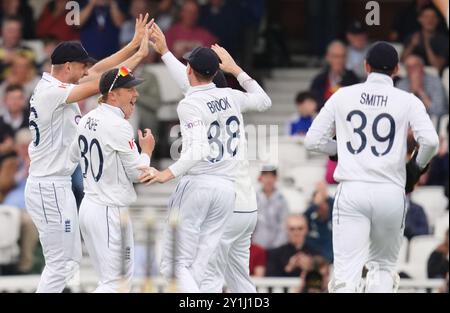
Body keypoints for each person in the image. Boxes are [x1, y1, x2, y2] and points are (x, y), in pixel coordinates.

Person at [24, 15, 153, 293]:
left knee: (66, 264)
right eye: (82, 66)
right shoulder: (52, 92)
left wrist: (133, 46)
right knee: (62, 265)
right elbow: (104, 83)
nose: (86, 70)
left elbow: (100, 73)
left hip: (55, 184)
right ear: (68, 66)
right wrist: (137, 57)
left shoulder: (58, 87)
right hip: (49, 185)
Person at [305, 41, 439, 293]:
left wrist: (341, 151)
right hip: (390, 190)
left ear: (366, 66)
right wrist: (416, 168)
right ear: (397, 69)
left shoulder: (343, 95)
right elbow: (431, 141)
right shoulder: (407, 100)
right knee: (382, 269)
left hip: (353, 190)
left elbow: (313, 140)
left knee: (346, 273)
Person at [139, 35, 270, 293]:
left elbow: (198, 147)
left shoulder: (191, 103)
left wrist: (168, 173)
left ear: (190, 69)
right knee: (214, 275)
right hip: (230, 193)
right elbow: (264, 101)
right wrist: (237, 70)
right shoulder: (230, 97)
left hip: (201, 185)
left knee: (175, 266)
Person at [70, 67, 155, 292]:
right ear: (113, 94)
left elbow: (72, 155)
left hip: (90, 205)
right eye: (129, 89)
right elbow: (139, 174)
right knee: (116, 283)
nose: (135, 94)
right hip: (109, 209)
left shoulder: (86, 119)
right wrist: (146, 151)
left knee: (111, 281)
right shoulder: (118, 125)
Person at [310, 40, 360, 111]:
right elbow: (313, 103)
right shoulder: (319, 80)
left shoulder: (353, 78)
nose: (339, 60)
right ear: (328, 57)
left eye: (342, 56)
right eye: (336, 56)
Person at [397, 54, 448, 119]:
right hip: (409, 122)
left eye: (415, 66)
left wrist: (420, 91)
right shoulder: (401, 84)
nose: (411, 70)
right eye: (408, 67)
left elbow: (438, 111)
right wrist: (412, 91)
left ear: (421, 67)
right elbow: (399, 110)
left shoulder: (435, 81)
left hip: (433, 122)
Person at [401, 4, 449, 73]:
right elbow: (401, 62)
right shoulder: (412, 37)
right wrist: (412, 45)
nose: (430, 20)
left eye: (433, 17)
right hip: (411, 74)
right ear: (419, 19)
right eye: (426, 17)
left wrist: (427, 43)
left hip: (433, 76)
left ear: (438, 20)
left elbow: (437, 67)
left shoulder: (443, 40)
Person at [252, 166, 290, 250]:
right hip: (256, 245)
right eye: (266, 176)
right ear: (260, 178)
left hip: (277, 247)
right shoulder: (253, 198)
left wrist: (276, 246)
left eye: (271, 176)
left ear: (276, 178)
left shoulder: (282, 200)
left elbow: (283, 225)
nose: (268, 180)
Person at [304, 181, 333, 263]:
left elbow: (337, 207)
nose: (322, 206)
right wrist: (315, 204)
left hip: (333, 260)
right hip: (314, 261)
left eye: (324, 202)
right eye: (319, 204)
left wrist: (326, 196)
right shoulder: (310, 222)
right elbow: (302, 218)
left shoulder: (334, 220)